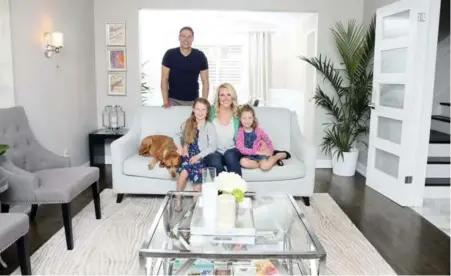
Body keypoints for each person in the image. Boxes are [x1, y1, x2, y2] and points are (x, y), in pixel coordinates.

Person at [173, 98, 217, 210]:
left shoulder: (209, 126)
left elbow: (212, 146)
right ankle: (178, 200)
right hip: (189, 155)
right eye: (197, 109)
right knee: (183, 172)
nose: (200, 112)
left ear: (207, 111)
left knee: (197, 179)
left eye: (203, 109)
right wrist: (184, 147)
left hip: (201, 156)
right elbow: (180, 136)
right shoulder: (189, 123)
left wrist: (198, 156)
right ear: (193, 109)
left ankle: (196, 206)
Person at [161, 26, 209, 108]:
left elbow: (205, 81)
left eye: (189, 37)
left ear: (192, 38)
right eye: (183, 36)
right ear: (179, 37)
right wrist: (165, 101)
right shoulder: (169, 54)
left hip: (193, 101)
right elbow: (164, 78)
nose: (186, 40)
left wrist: (204, 103)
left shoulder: (200, 56)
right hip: (173, 101)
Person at [236, 105, 291, 171]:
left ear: (253, 118)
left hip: (261, 155)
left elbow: (268, 141)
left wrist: (270, 151)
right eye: (244, 118)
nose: (247, 121)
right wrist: (255, 152)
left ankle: (277, 156)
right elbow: (240, 148)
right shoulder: (239, 132)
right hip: (249, 156)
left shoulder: (259, 131)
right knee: (243, 162)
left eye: (249, 118)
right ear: (240, 119)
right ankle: (267, 163)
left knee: (265, 167)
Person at [203, 83, 242, 176]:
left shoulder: (239, 113)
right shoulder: (210, 112)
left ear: (233, 97)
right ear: (218, 97)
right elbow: (195, 123)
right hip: (215, 151)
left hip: (232, 150)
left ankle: (237, 187)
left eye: (229, 94)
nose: (225, 98)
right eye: (222, 95)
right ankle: (226, 186)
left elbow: (253, 129)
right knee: (214, 159)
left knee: (230, 155)